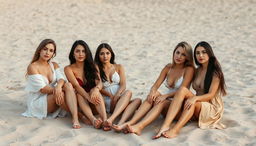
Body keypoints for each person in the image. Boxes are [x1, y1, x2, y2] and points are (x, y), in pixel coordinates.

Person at [115, 42, 195, 135]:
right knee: (154, 94)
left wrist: (165, 96)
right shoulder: (168, 67)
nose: (179, 56)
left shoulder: (189, 69)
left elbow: (182, 90)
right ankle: (131, 122)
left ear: (187, 57)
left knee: (162, 100)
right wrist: (152, 92)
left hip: (178, 107)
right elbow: (155, 85)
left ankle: (139, 126)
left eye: (183, 54)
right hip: (167, 102)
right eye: (177, 52)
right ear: (174, 52)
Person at [158, 41, 227, 139]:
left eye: (204, 52)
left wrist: (194, 98)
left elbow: (211, 95)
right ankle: (166, 125)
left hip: (211, 106)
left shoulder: (215, 73)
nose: (200, 55)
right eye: (197, 53)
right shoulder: (197, 70)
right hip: (198, 103)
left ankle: (175, 129)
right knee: (176, 99)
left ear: (209, 53)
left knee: (186, 95)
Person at [22, 39, 81, 129]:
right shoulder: (33, 67)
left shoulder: (54, 65)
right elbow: (43, 89)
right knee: (61, 93)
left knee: (68, 85)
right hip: (38, 101)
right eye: (45, 49)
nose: (47, 53)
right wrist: (57, 90)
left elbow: (62, 79)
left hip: (53, 94)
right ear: (39, 50)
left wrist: (58, 87)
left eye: (51, 51)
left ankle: (76, 117)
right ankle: (79, 116)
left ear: (53, 54)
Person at [94, 43, 141, 131]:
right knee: (128, 95)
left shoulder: (119, 67)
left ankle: (117, 122)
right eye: (102, 54)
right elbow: (99, 86)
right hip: (106, 101)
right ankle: (110, 118)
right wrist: (110, 96)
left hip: (119, 99)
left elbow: (123, 85)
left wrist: (117, 96)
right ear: (98, 56)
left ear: (111, 54)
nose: (105, 56)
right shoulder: (97, 68)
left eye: (107, 53)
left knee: (135, 98)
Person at [64, 40, 107, 129]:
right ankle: (93, 120)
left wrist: (96, 89)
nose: (80, 54)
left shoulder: (93, 65)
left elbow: (99, 82)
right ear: (73, 54)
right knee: (79, 94)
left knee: (94, 90)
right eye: (77, 51)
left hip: (95, 103)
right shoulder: (68, 69)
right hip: (81, 105)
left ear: (87, 53)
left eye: (83, 51)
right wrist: (87, 97)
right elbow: (76, 86)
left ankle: (105, 120)